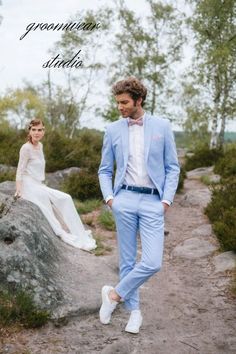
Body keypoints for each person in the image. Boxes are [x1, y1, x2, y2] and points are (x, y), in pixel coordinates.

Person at [98, 77, 180, 333]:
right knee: (127, 260)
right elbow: (104, 169)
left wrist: (165, 200)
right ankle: (134, 312)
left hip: (154, 201)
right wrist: (110, 198)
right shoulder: (112, 130)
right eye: (118, 102)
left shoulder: (162, 126)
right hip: (124, 200)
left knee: (153, 261)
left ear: (138, 100)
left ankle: (114, 295)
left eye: (124, 102)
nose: (120, 107)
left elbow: (172, 167)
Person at [15, 118, 96, 251]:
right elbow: (20, 170)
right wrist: (18, 190)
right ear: (29, 131)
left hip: (39, 184)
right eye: (33, 130)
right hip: (29, 185)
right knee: (48, 208)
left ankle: (78, 232)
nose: (37, 132)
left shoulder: (40, 146)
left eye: (40, 130)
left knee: (66, 198)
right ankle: (62, 232)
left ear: (44, 131)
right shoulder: (26, 148)